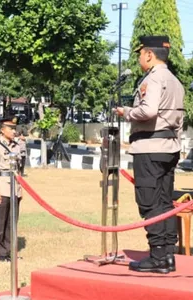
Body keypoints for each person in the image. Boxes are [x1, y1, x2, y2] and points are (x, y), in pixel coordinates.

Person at [114, 36, 184, 274]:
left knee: (149, 202)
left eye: (139, 54)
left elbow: (148, 110)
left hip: (150, 148)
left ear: (148, 55)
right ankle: (167, 256)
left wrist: (127, 112)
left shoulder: (153, 78)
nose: (138, 58)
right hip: (169, 147)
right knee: (165, 202)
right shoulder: (175, 81)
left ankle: (156, 257)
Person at [0, 117, 22, 262]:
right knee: (1, 222)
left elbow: (18, 170)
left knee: (12, 222)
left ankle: (10, 251)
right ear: (2, 130)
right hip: (2, 185)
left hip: (15, 186)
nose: (14, 131)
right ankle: (1, 253)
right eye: (10, 128)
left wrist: (20, 189)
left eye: (14, 128)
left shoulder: (16, 146)